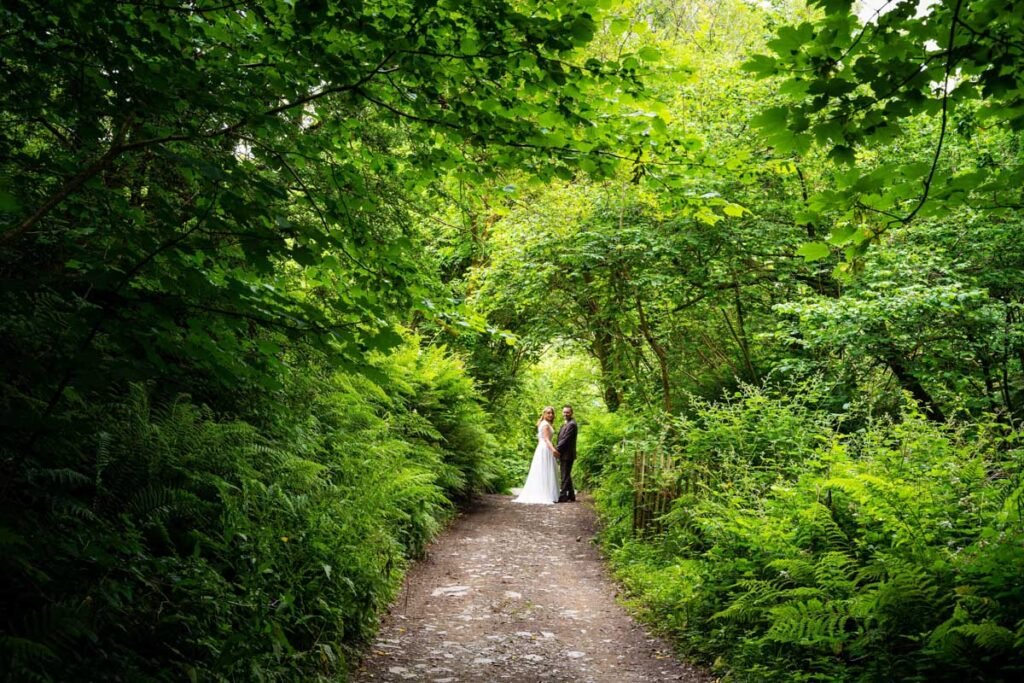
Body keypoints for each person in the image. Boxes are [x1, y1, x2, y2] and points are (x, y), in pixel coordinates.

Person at [513, 406, 560, 504]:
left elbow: (541, 439)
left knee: (543, 470)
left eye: (552, 413)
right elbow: (546, 439)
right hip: (546, 448)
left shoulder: (543, 424)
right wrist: (554, 450)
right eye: (548, 413)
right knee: (545, 469)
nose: (550, 414)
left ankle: (546, 492)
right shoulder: (545, 425)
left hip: (542, 448)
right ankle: (545, 494)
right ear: (544, 414)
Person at [555, 405, 578, 502]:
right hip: (564, 454)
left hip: (567, 454)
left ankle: (563, 495)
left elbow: (565, 439)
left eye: (567, 412)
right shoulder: (565, 423)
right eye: (564, 412)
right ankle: (571, 495)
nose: (565, 414)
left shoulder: (572, 424)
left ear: (571, 413)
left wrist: (556, 449)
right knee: (566, 474)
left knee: (564, 475)